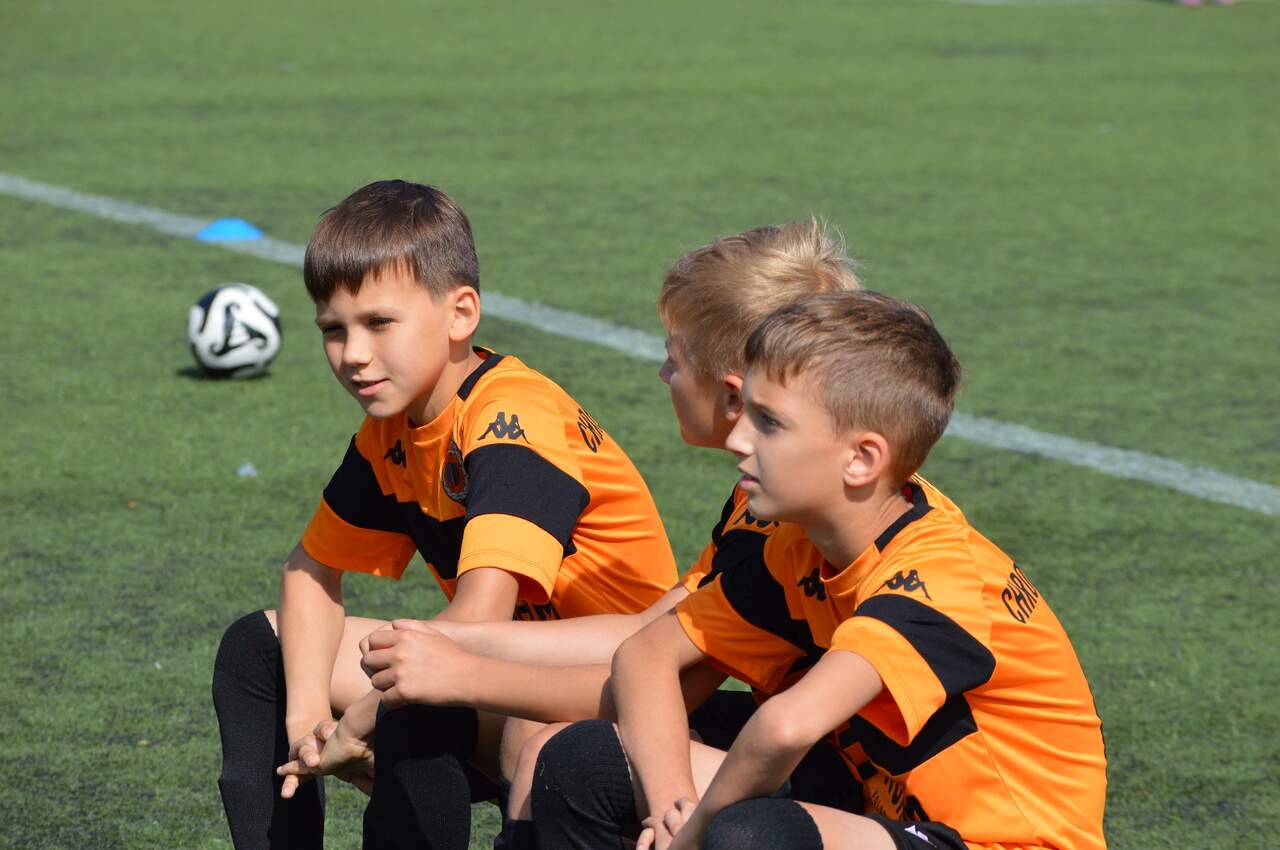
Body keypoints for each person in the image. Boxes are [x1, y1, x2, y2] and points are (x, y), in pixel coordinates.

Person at [278, 219, 864, 849]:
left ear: (731, 397)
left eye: (675, 358)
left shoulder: (796, 523)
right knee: (527, 735)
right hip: (803, 747)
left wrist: (443, 675)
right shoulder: (757, 507)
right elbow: (649, 638)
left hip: (864, 789)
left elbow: (680, 683)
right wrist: (437, 654)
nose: (662, 373)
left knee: (563, 754)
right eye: (334, 330)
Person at [532, 291, 1108, 850]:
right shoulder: (796, 544)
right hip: (866, 801)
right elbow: (645, 653)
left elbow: (786, 727)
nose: (738, 437)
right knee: (586, 759)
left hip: (993, 840)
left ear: (861, 459)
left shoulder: (941, 575)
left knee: (752, 837)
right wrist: (670, 806)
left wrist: (692, 833)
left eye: (769, 422)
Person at [211, 179, 678, 850]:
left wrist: (359, 720)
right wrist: (309, 722)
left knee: (415, 687)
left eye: (379, 323)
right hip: (500, 680)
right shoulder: (391, 432)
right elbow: (310, 571)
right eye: (334, 330)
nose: (353, 354)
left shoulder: (511, 417)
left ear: (460, 315)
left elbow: (479, 620)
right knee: (262, 648)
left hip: (614, 693)